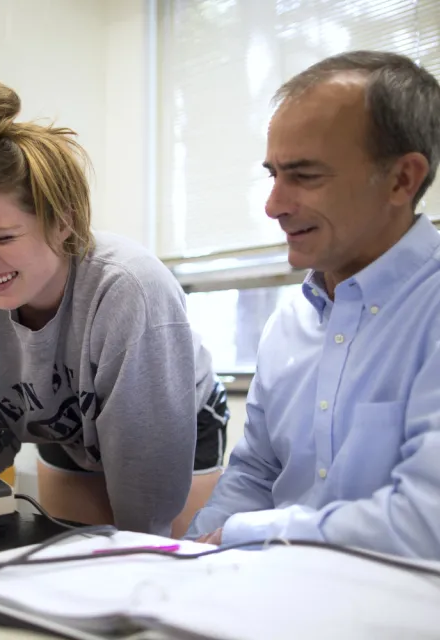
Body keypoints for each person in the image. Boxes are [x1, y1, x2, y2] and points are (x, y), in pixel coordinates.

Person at [0, 80, 229, 537]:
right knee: (65, 550)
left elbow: (147, 498)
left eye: (2, 238)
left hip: (172, 421)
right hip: (67, 432)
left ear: (63, 222)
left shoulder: (129, 290)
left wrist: (140, 544)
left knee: (151, 557)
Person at [185, 51, 440, 560]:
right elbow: (255, 472)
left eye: (303, 176)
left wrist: (242, 535)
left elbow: (424, 523)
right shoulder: (289, 322)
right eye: (273, 174)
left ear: (401, 180)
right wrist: (190, 559)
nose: (273, 205)